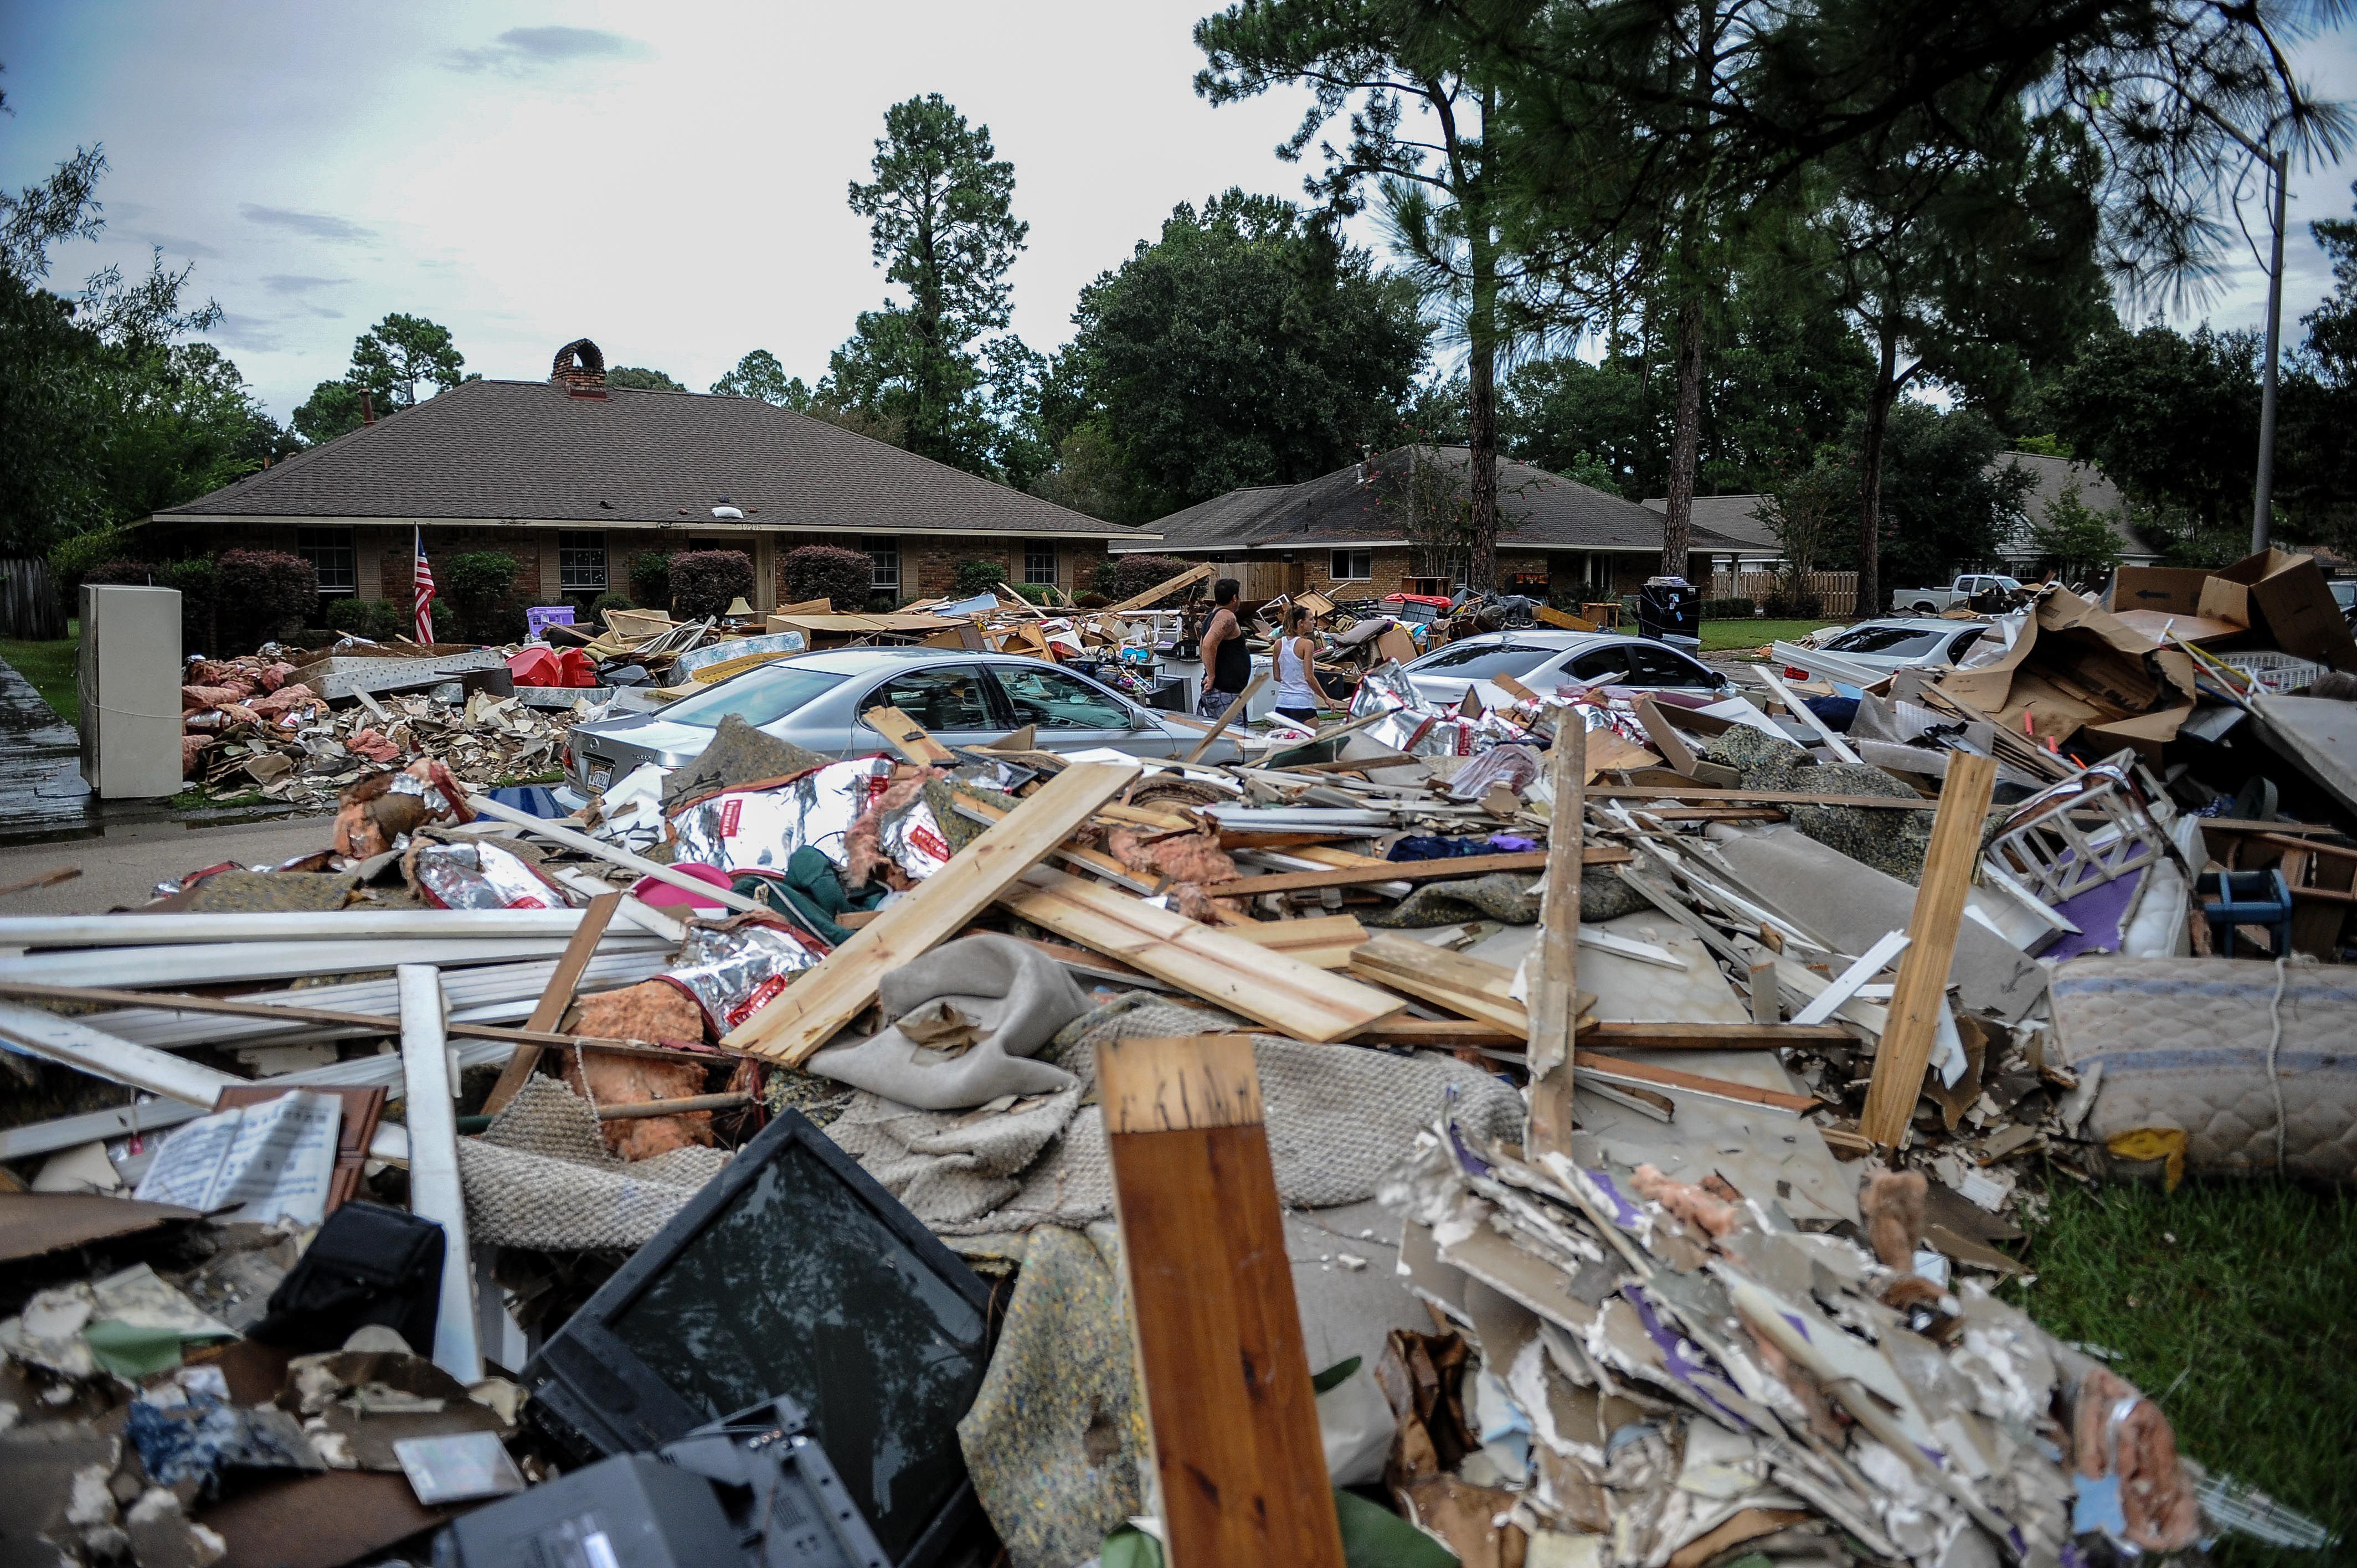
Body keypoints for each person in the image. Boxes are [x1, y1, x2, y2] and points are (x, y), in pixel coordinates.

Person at [1195, 578, 1250, 719]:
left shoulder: (1210, 618)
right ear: (1235, 598)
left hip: (1222, 693)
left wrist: (1209, 673)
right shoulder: (1227, 617)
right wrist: (1212, 676)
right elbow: (1207, 646)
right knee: (1232, 738)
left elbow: (1202, 647)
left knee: (1221, 739)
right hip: (1225, 694)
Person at [1271, 604, 1331, 726]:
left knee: (1285, 743)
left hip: (1282, 704)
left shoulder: (1278, 644)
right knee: (1310, 743)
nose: (1314, 622)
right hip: (1302, 704)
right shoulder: (1307, 644)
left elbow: (1277, 676)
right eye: (1311, 619)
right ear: (1301, 623)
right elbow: (1309, 677)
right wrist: (1326, 698)